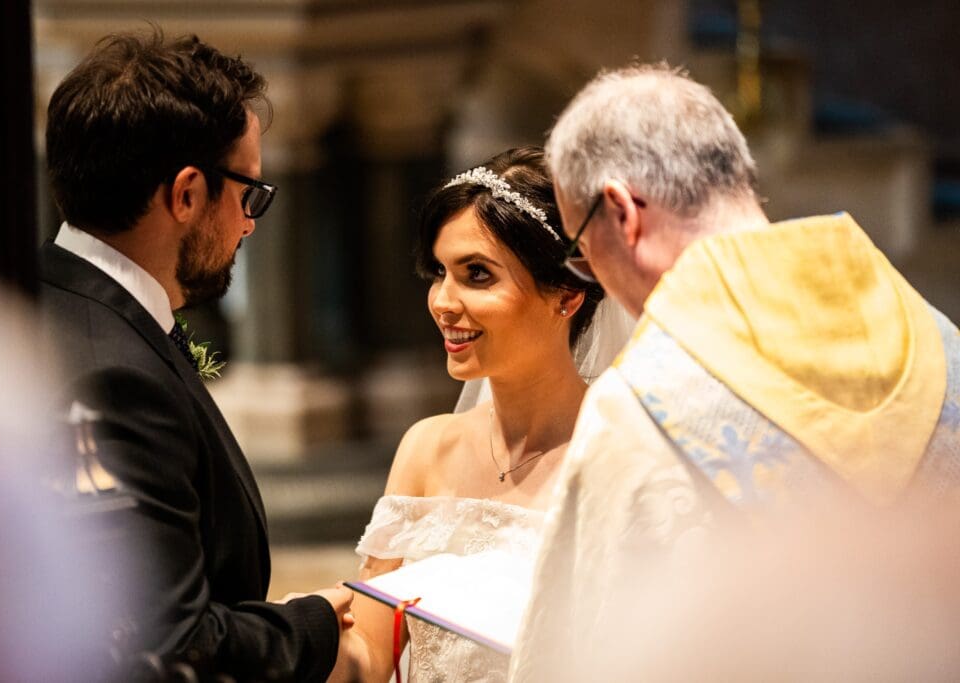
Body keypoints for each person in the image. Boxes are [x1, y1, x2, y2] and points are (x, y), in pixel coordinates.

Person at [510, 63, 960, 681]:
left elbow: (585, 654)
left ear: (622, 212)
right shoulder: (939, 341)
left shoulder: (641, 406)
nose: (596, 281)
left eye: (583, 252)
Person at [39, 30, 353, 681]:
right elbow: (171, 640)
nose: (250, 223)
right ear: (186, 193)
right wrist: (313, 625)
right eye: (248, 193)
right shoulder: (115, 377)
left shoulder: (45, 294)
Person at [329, 147, 620, 682]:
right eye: (439, 272)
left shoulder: (618, 453)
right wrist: (305, 635)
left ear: (566, 295)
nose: (442, 301)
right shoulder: (427, 448)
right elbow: (369, 657)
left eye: (477, 275)